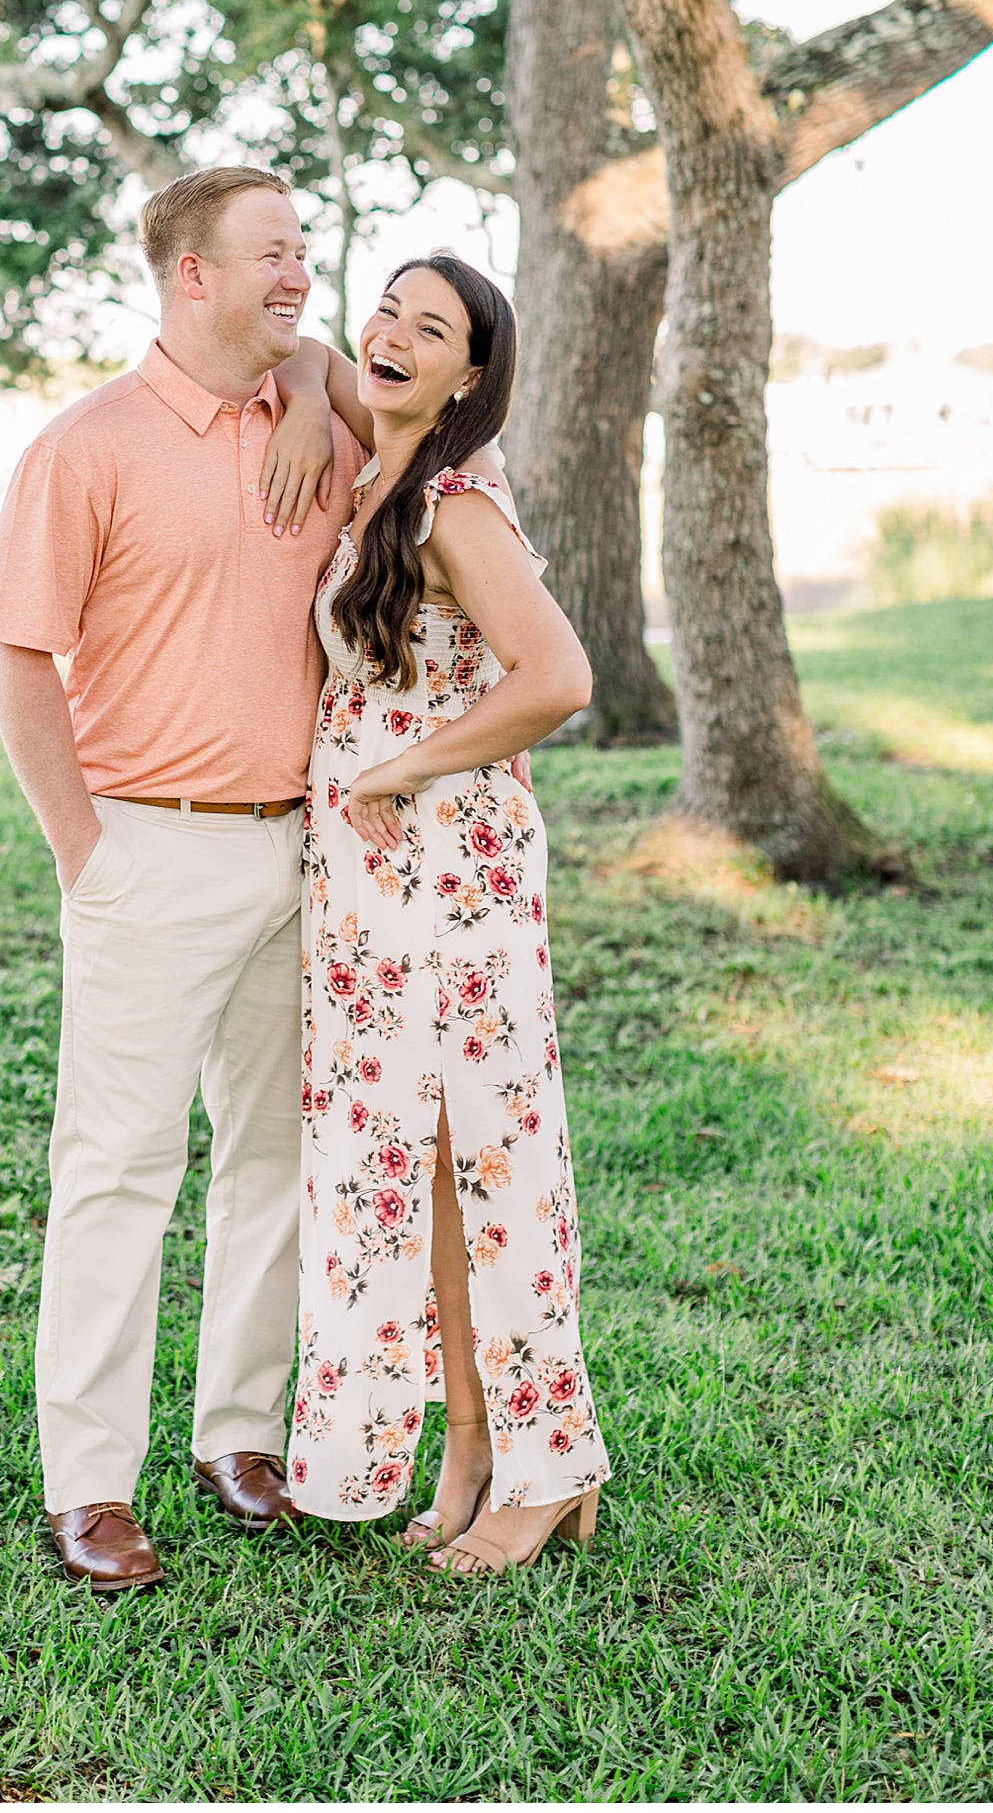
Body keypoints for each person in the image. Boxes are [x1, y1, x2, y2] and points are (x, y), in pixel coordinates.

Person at [0, 164, 360, 1591]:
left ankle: (240, 1435)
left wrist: (313, 383)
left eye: (305, 251)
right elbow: (17, 654)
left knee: (275, 1153)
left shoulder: (310, 424)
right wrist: (85, 846)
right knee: (118, 1171)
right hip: (148, 844)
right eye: (272, 254)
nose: (300, 275)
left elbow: (412, 385)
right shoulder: (86, 447)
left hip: (300, 848)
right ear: (189, 273)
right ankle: (88, 1483)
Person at [289, 252, 613, 1574]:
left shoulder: (456, 505)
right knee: (423, 1168)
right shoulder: (379, 475)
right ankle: (470, 1448)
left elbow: (563, 676)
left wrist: (406, 763)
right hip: (370, 891)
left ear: (472, 372)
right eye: (386, 311)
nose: (392, 336)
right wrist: (325, 375)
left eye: (433, 328)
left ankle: (548, 1464)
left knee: (493, 1164)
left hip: (451, 875)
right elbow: (306, 350)